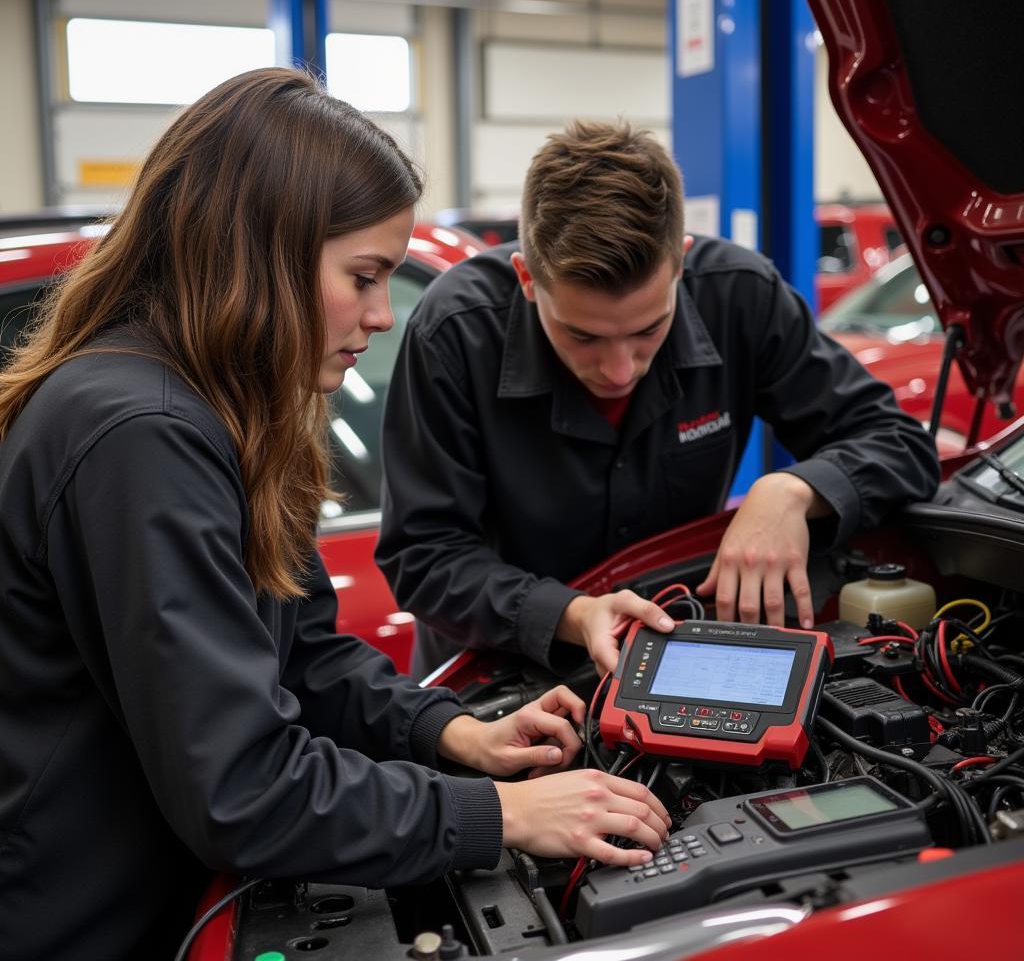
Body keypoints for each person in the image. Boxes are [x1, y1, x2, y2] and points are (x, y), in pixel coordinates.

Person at [0, 71, 670, 961]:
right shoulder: (141, 434)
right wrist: (500, 814)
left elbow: (304, 653)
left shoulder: (214, 413)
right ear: (257, 252)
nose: (382, 315)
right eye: (363, 276)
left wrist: (453, 733)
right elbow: (241, 790)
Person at [376, 120, 941, 680]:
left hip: (683, 664)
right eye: (583, 335)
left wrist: (793, 490)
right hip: (504, 681)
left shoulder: (741, 297)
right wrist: (571, 614)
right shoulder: (455, 330)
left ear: (682, 266)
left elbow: (899, 445)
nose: (619, 369)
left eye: (649, 329)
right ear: (527, 278)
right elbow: (426, 556)